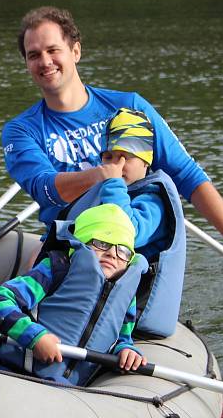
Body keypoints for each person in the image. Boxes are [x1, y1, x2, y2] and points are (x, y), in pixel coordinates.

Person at [2, 5, 223, 281]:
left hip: (132, 241)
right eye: (34, 55)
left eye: (53, 50)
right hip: (71, 240)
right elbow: (45, 190)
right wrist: (101, 177)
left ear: (75, 52)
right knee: (37, 258)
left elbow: (186, 174)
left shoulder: (131, 107)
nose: (45, 61)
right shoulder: (21, 131)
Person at [52, 108, 187, 337]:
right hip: (96, 292)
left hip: (131, 307)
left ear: (146, 160)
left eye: (127, 156)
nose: (117, 164)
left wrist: (113, 184)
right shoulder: (108, 189)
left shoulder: (154, 202)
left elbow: (128, 232)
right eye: (109, 157)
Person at [0, 204, 147, 386]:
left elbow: (122, 337)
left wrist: (126, 349)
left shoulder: (126, 292)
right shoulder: (55, 269)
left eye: (122, 250)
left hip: (71, 390)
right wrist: (34, 337)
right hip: (15, 372)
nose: (112, 255)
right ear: (81, 242)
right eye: (102, 243)